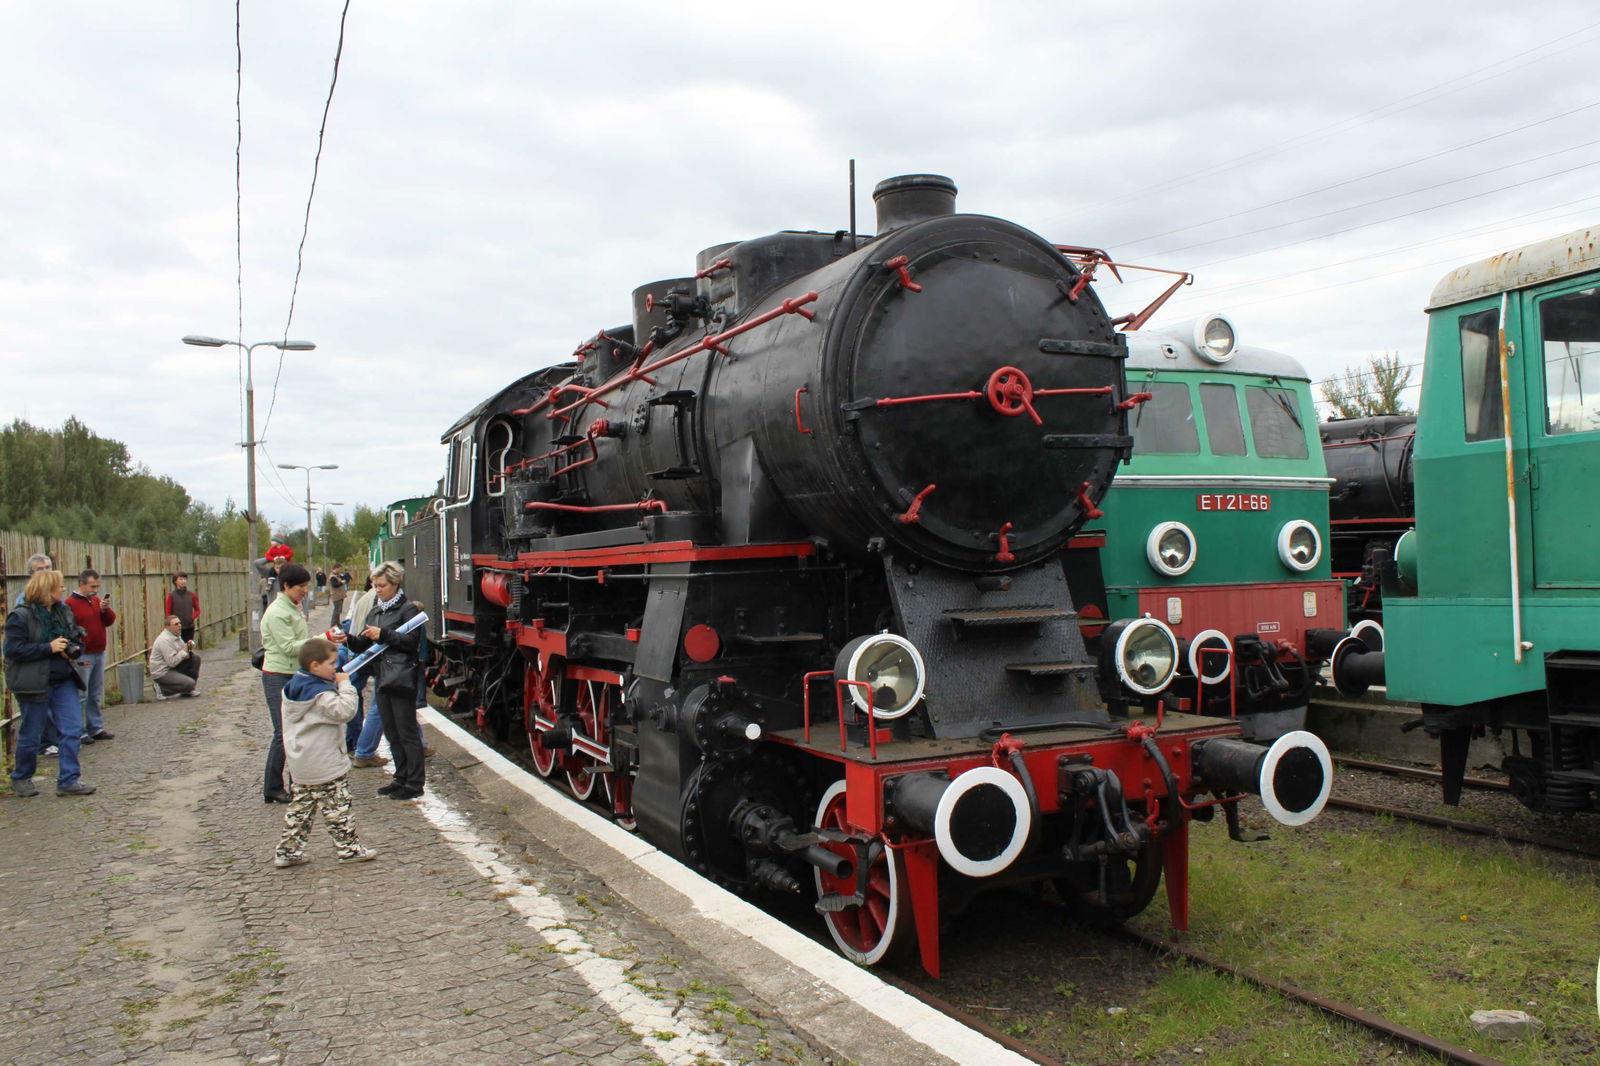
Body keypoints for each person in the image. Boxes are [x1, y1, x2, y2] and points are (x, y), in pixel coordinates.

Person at [273, 637, 375, 867]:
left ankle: (287, 852)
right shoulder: (321, 694)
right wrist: (346, 685)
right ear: (315, 666)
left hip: (302, 763)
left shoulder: (293, 687)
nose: (336, 668)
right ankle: (349, 850)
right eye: (332, 663)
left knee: (300, 810)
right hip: (325, 763)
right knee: (339, 809)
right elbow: (346, 711)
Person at [4, 569, 95, 797]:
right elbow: (12, 650)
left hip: (63, 679)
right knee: (32, 733)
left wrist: (74, 650)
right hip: (34, 682)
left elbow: (75, 636)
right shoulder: (20, 616)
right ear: (47, 589)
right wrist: (48, 648)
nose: (63, 590)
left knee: (72, 729)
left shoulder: (62, 612)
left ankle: (69, 779)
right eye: (59, 586)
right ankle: (22, 776)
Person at [261, 563, 343, 803]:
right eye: (301, 586)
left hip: (291, 673)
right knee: (282, 732)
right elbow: (289, 647)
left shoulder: (292, 607)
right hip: (278, 674)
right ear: (287, 586)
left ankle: (295, 783)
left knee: (294, 731)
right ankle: (273, 787)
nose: (305, 590)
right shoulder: (278, 612)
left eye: (307, 586)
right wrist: (322, 639)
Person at [344, 562, 424, 799]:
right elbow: (365, 644)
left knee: (406, 731)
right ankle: (400, 777)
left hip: (401, 677)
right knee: (391, 730)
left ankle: (414, 783)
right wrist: (347, 639)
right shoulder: (376, 611)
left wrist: (384, 634)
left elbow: (411, 642)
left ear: (395, 584)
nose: (377, 590)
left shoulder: (408, 610)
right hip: (382, 676)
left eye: (382, 586)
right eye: (375, 585)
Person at [11, 553, 60, 758]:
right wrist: (48, 647)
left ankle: (52, 741)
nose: (46, 572)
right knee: (35, 716)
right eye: (40, 569)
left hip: (53, 665)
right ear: (31, 574)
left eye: (48, 567)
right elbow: (16, 646)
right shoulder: (25, 603)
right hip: (34, 667)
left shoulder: (57, 601)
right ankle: (44, 744)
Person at [66, 569, 117, 742]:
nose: (95, 590)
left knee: (95, 693)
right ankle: (79, 730)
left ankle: (95, 727)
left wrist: (105, 610)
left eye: (97, 586)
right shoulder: (70, 604)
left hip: (98, 651)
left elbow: (109, 621)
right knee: (82, 693)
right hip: (83, 654)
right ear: (82, 584)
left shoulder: (95, 601)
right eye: (92, 586)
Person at [343, 584, 387, 768]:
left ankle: (352, 743)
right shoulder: (378, 601)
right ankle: (363, 750)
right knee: (381, 702)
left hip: (358, 653)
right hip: (368, 654)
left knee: (354, 695)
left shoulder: (364, 599)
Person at [149, 616, 202, 697]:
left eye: (180, 623)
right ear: (168, 627)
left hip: (172, 667)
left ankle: (187, 690)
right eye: (176, 624)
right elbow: (171, 662)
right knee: (190, 684)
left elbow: (182, 653)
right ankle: (161, 689)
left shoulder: (176, 635)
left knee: (195, 659)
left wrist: (188, 651)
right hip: (162, 672)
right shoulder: (164, 640)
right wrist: (184, 652)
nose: (179, 625)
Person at [164, 572, 201, 645]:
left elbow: (197, 610)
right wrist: (172, 624)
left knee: (189, 647)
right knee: (178, 647)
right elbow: (168, 613)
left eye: (185, 579)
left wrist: (192, 618)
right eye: (181, 579)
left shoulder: (191, 595)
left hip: (189, 627)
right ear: (175, 581)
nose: (183, 581)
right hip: (176, 628)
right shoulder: (171, 596)